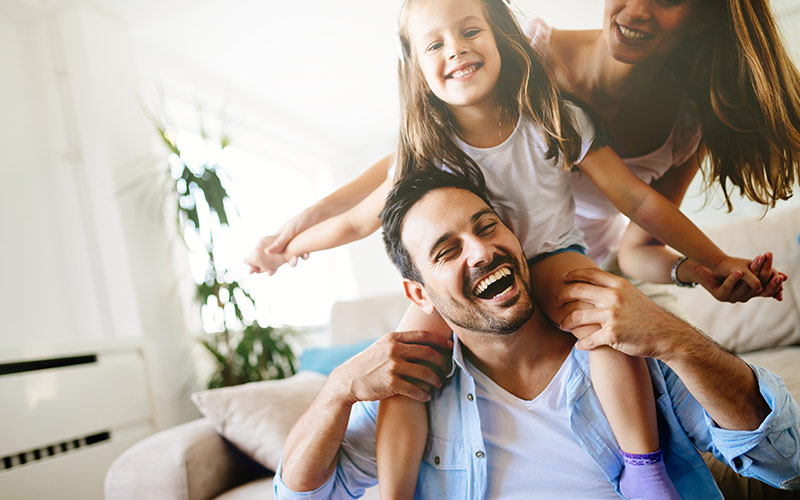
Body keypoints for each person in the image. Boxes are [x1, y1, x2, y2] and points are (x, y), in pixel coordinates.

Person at [247, 1, 783, 499]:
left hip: (551, 254)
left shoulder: (551, 114)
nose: (455, 48)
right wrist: (289, 246)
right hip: (475, 281)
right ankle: (395, 493)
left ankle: (643, 467)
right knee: (407, 362)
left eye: (470, 30)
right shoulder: (427, 148)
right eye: (433, 45)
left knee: (601, 318)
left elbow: (639, 201)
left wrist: (716, 261)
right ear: (415, 67)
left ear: (501, 38)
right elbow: (355, 221)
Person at [275, 168, 800, 500]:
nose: (481, 252)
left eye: (486, 227)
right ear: (419, 295)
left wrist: (674, 339)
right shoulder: (413, 387)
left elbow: (786, 460)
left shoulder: (626, 345)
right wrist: (335, 391)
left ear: (517, 239)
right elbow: (298, 496)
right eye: (446, 250)